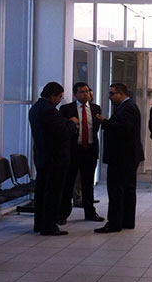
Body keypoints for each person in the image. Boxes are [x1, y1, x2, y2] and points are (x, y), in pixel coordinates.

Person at [28, 82, 78, 235]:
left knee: (42, 192)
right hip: (55, 159)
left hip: (43, 157)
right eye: (59, 97)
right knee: (53, 193)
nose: (59, 100)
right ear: (52, 96)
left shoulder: (36, 108)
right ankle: (49, 226)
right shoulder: (49, 111)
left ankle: (40, 223)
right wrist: (72, 123)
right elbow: (61, 132)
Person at [95, 83, 144, 233]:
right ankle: (126, 221)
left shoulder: (128, 108)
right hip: (127, 156)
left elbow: (124, 130)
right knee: (127, 189)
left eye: (112, 94)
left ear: (121, 94)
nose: (110, 97)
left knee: (117, 190)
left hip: (122, 157)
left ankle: (114, 223)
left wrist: (104, 122)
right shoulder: (127, 107)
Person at [58, 82, 104, 223]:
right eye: (82, 92)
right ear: (75, 94)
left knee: (88, 184)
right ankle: (63, 214)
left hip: (89, 150)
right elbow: (62, 130)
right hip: (73, 150)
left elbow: (95, 128)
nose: (86, 94)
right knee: (68, 183)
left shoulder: (96, 108)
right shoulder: (66, 109)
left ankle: (90, 213)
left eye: (87, 91)